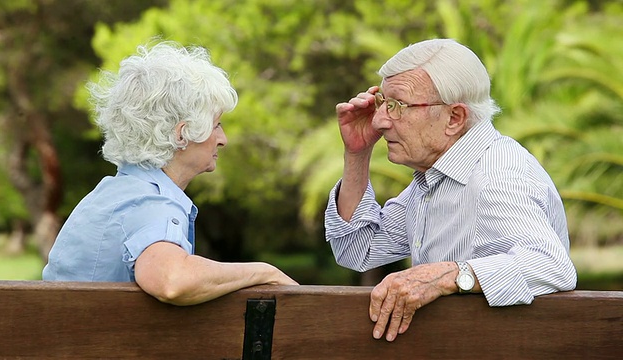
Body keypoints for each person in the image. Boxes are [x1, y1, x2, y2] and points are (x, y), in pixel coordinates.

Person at [324, 39, 576, 342]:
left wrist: (446, 276)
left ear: (454, 118)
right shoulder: (437, 174)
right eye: (382, 103)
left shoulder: (496, 176)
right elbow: (357, 250)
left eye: (398, 106)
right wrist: (356, 154)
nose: (379, 121)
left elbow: (552, 266)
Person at [43, 40, 298, 305]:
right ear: (181, 134)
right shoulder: (149, 202)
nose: (223, 139)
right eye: (216, 125)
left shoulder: (111, 194)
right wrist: (264, 271)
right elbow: (172, 281)